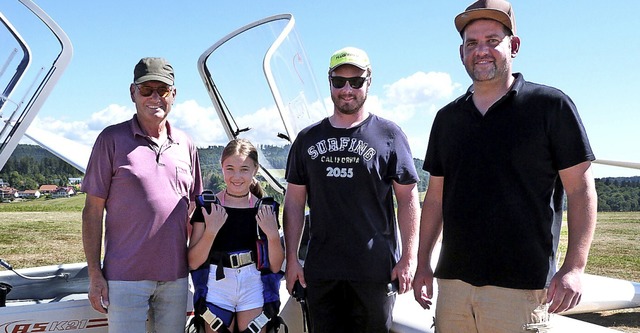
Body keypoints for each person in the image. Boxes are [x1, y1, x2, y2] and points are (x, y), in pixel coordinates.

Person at [412, 1, 598, 332]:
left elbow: (581, 191)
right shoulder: (447, 119)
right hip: (453, 287)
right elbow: (435, 198)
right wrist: (423, 263)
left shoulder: (550, 107)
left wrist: (574, 267)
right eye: (472, 43)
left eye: (492, 40)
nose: (481, 51)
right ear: (461, 53)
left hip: (520, 290)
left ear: (513, 46)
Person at [283, 46, 421, 333]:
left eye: (356, 81)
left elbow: (407, 198)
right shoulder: (307, 139)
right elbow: (294, 202)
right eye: (339, 81)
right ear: (329, 82)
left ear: (368, 81)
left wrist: (408, 258)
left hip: (374, 272)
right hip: (321, 273)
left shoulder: (390, 135)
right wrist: (292, 259)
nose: (347, 89)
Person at [81, 57, 203, 332]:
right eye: (146, 90)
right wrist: (94, 275)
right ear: (132, 93)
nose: (155, 97)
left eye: (162, 90)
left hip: (176, 277)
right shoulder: (110, 140)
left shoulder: (186, 144)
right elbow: (92, 211)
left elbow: (194, 210)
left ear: (174, 94)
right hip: (124, 279)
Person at [188, 138, 284, 333]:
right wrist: (211, 231)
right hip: (217, 285)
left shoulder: (265, 209)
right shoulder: (207, 208)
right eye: (230, 168)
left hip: (253, 285)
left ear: (255, 170)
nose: (237, 176)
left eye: (244, 169)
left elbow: (274, 265)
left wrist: (273, 235)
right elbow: (193, 262)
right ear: (221, 167)